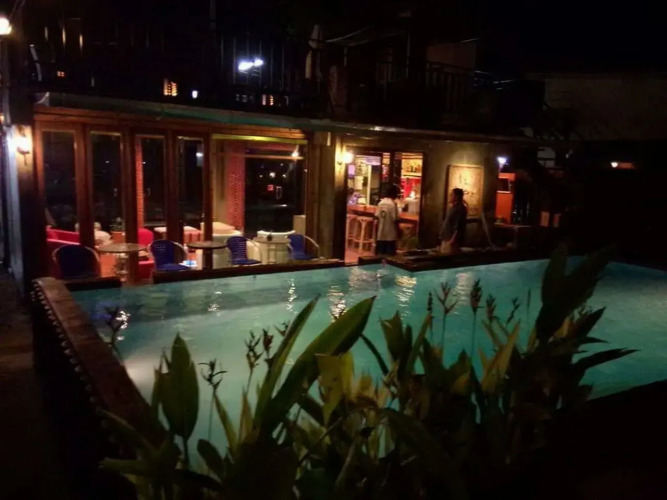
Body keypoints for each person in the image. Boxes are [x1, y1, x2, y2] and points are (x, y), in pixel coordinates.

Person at [440, 188, 468, 253]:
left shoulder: (460, 208)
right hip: (446, 239)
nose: (450, 196)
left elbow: (458, 225)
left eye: (452, 194)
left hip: (451, 241)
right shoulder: (453, 208)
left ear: (457, 196)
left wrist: (453, 240)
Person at [375, 184, 400, 256]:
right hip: (390, 235)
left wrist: (376, 234)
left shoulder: (380, 203)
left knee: (380, 256)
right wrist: (398, 232)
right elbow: (396, 220)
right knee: (390, 257)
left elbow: (377, 219)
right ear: (394, 193)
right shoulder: (393, 204)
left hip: (380, 235)